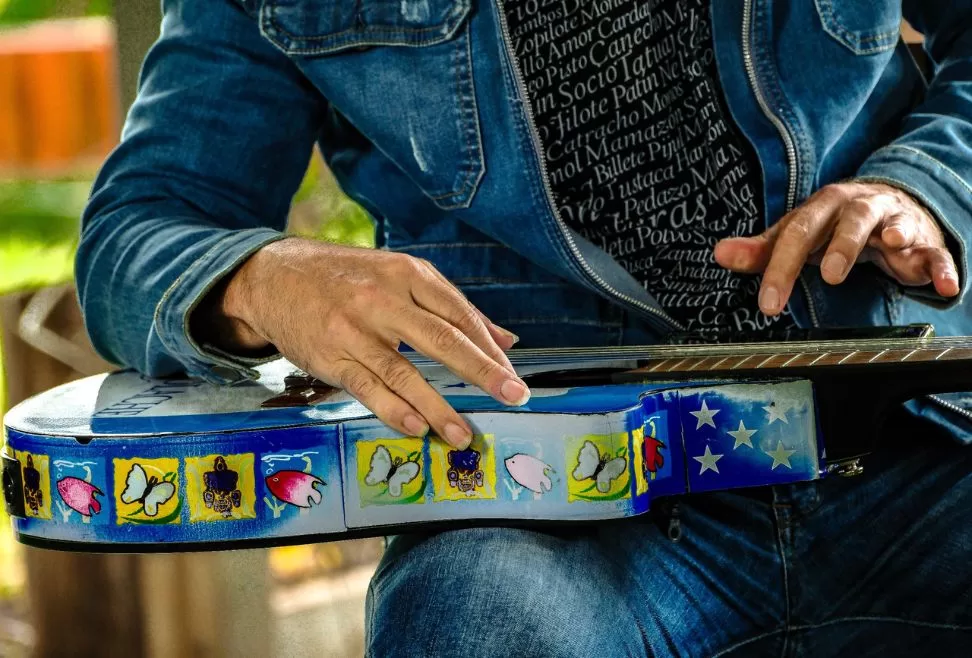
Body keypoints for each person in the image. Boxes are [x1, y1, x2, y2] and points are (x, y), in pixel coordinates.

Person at [78, 0, 972, 655]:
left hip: (910, 440)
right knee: (467, 629)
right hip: (534, 501)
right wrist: (267, 278)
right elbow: (138, 225)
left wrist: (923, 185)